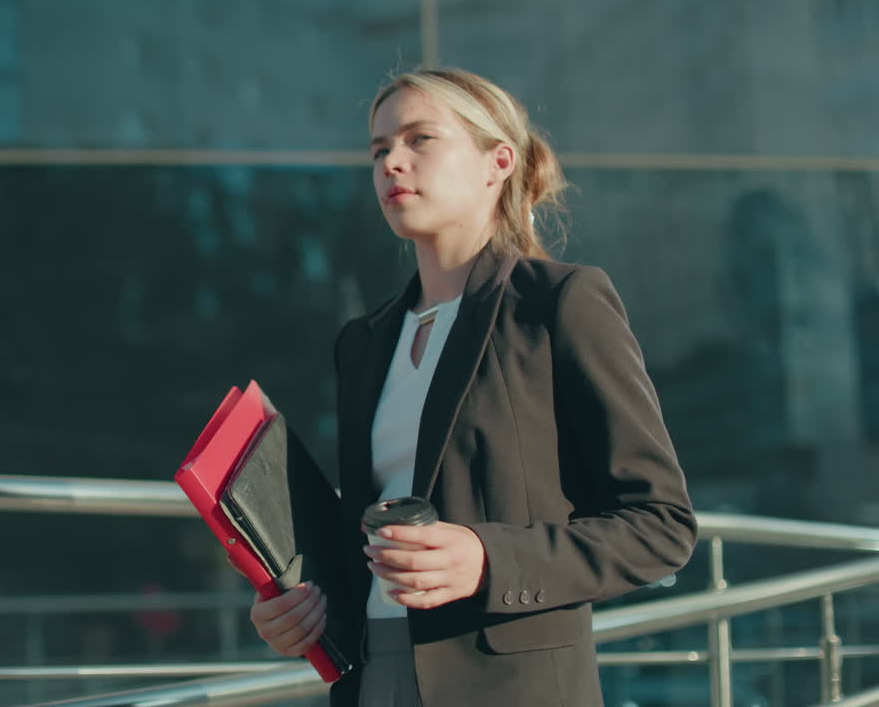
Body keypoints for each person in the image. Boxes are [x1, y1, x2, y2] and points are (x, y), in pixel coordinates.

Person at [247, 68, 697, 706]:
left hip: (512, 685)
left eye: (419, 139)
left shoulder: (559, 304)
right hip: (373, 674)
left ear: (499, 162)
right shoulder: (365, 340)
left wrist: (489, 560)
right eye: (379, 150)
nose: (392, 163)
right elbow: (361, 536)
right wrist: (296, 605)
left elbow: (662, 527)